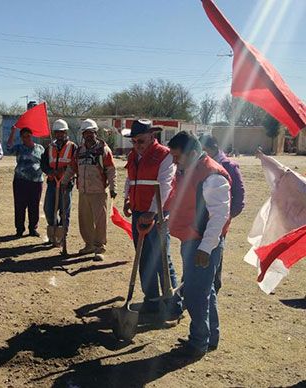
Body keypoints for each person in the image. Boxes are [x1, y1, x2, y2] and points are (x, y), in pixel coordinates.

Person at [166, 131, 230, 358]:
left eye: (177, 156)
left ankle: (198, 343)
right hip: (191, 239)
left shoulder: (212, 175)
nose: (173, 161)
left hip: (203, 243)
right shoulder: (187, 170)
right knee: (205, 290)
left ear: (192, 153)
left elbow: (219, 216)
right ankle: (209, 337)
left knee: (195, 294)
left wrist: (205, 248)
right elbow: (184, 202)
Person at [123, 119, 182, 317]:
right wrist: (127, 199)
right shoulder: (133, 156)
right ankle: (151, 300)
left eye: (140, 141)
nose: (137, 145)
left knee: (161, 258)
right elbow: (130, 179)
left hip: (159, 213)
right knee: (144, 257)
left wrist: (153, 212)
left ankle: (172, 303)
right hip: (139, 211)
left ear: (151, 137)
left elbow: (165, 186)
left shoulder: (164, 156)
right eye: (134, 142)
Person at [63, 119, 116, 257]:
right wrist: (64, 181)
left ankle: (99, 247)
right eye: (85, 133)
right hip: (83, 191)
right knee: (84, 220)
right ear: (82, 134)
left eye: (90, 132)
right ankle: (89, 244)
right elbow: (72, 168)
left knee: (100, 221)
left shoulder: (103, 150)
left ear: (95, 133)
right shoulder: (79, 151)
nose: (88, 135)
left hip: (98, 191)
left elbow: (110, 170)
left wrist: (113, 188)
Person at [199, 134, 245, 293]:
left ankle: (213, 286)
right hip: (202, 218)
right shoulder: (203, 164)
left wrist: (228, 216)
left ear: (212, 149)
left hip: (219, 218)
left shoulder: (229, 166)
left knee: (216, 255)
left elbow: (239, 195)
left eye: (203, 150)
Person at [40, 119, 77, 246]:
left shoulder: (72, 147)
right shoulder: (49, 148)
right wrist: (50, 171)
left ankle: (62, 235)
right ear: (54, 133)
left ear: (66, 133)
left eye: (62, 132)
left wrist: (65, 170)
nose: (60, 135)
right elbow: (43, 163)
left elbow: (75, 163)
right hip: (52, 183)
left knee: (64, 211)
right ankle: (52, 230)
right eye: (57, 133)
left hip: (66, 184)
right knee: (48, 209)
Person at [7, 127, 45, 237]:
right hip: (20, 181)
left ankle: (33, 228)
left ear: (31, 136)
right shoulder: (19, 148)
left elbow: (46, 161)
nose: (26, 138)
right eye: (24, 136)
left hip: (36, 182)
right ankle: (19, 229)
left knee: (34, 205)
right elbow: (8, 148)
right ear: (21, 138)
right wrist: (12, 132)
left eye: (28, 136)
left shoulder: (40, 148)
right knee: (20, 206)